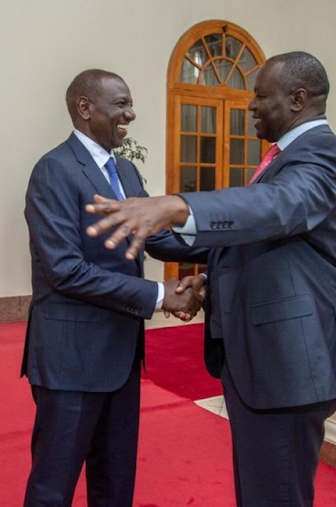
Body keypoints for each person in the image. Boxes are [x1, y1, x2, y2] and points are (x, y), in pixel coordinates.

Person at [85, 52, 336, 507]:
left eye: (260, 97)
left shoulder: (323, 153)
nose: (251, 107)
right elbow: (257, 239)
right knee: (260, 491)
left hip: (291, 364)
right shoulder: (284, 157)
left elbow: (277, 206)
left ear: (297, 99)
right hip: (268, 363)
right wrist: (185, 258)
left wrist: (176, 206)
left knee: (276, 496)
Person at [21, 69, 208, 507]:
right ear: (85, 108)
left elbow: (157, 238)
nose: (131, 113)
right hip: (71, 359)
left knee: (115, 482)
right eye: (121, 104)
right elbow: (65, 270)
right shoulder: (53, 170)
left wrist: (230, 242)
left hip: (120, 356)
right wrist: (161, 296)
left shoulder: (125, 169)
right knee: (53, 486)